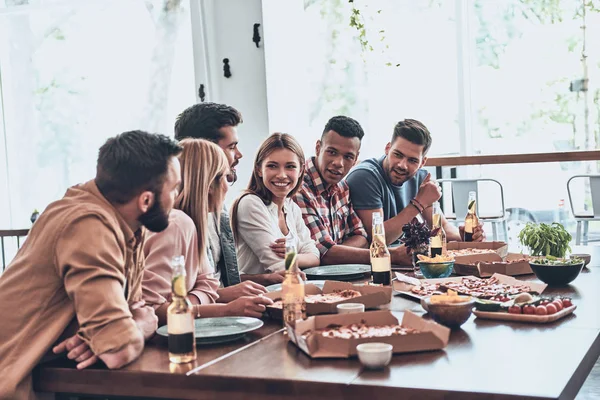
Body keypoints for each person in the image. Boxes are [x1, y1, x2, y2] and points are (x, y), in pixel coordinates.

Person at [0, 130, 182, 399]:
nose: (176, 196)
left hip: (47, 381)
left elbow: (126, 317)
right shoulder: (87, 225)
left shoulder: (125, 224)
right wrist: (140, 328)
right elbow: (119, 348)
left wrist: (107, 335)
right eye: (174, 188)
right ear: (145, 200)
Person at [143, 139, 272, 325]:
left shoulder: (196, 222)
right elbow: (152, 311)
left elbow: (208, 286)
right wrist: (225, 310)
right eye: (226, 178)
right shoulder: (176, 224)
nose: (228, 186)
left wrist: (186, 302)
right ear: (210, 184)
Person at [174, 103, 288, 291]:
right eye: (232, 147)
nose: (239, 154)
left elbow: (220, 281)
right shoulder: (177, 220)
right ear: (205, 150)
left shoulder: (217, 208)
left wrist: (266, 278)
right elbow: (181, 298)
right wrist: (227, 301)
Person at [292, 116, 411, 265]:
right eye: (332, 152)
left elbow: (361, 237)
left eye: (348, 156)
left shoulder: (342, 187)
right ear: (318, 148)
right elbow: (323, 254)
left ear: (355, 159)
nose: (338, 163)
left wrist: (337, 253)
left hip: (342, 276)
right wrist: (389, 255)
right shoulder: (298, 188)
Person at [346, 119, 485, 245]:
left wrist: (465, 237)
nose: (402, 165)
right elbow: (379, 238)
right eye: (398, 155)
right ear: (388, 148)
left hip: (403, 261)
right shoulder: (365, 177)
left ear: (422, 162)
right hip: (370, 263)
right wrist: (419, 204)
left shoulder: (421, 178)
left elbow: (442, 227)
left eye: (412, 160)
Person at [231, 133, 320, 279]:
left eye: (290, 166)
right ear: (259, 169)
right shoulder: (250, 203)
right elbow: (278, 265)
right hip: (254, 296)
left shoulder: (292, 208)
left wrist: (291, 254)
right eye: (272, 166)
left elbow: (315, 257)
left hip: (281, 290)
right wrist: (298, 253)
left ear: (301, 170)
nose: (282, 175)